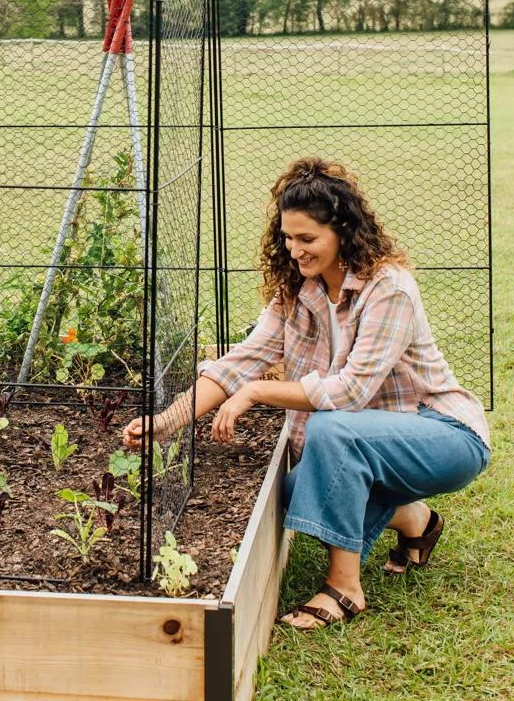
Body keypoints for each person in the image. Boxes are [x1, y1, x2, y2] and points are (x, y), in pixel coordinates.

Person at [122, 156, 491, 630]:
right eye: (287, 238)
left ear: (344, 231)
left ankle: (344, 590)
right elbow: (241, 362)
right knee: (300, 494)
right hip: (374, 439)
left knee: (333, 430)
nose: (295, 251)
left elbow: (351, 392)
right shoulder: (299, 292)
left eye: (307, 239)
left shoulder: (389, 289)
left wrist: (258, 392)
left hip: (444, 433)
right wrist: (167, 422)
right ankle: (416, 521)